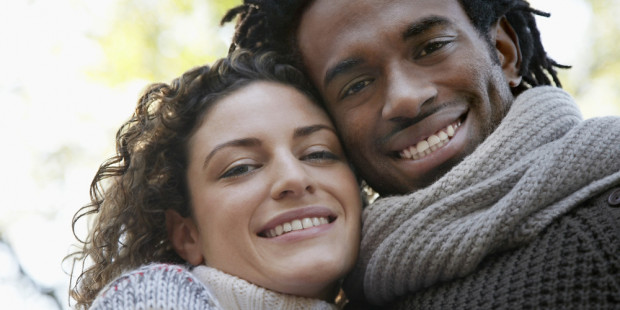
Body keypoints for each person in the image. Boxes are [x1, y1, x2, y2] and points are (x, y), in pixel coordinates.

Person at [222, 0, 620, 308]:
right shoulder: (339, 291)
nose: (406, 99)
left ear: (503, 51)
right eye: (356, 85)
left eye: (431, 47)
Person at [66, 50, 363, 310]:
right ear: (187, 235)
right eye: (241, 168)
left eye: (317, 153)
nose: (294, 177)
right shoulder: (151, 298)